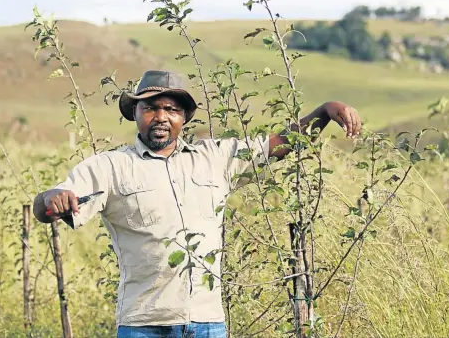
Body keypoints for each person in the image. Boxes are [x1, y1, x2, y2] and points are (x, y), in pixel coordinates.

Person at [33, 70, 361, 338]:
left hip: (207, 324)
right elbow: (48, 205)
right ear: (135, 113)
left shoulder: (214, 159)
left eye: (171, 109)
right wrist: (51, 200)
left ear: (185, 117)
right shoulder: (109, 167)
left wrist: (325, 111)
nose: (160, 117)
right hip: (144, 324)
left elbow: (278, 145)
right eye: (149, 108)